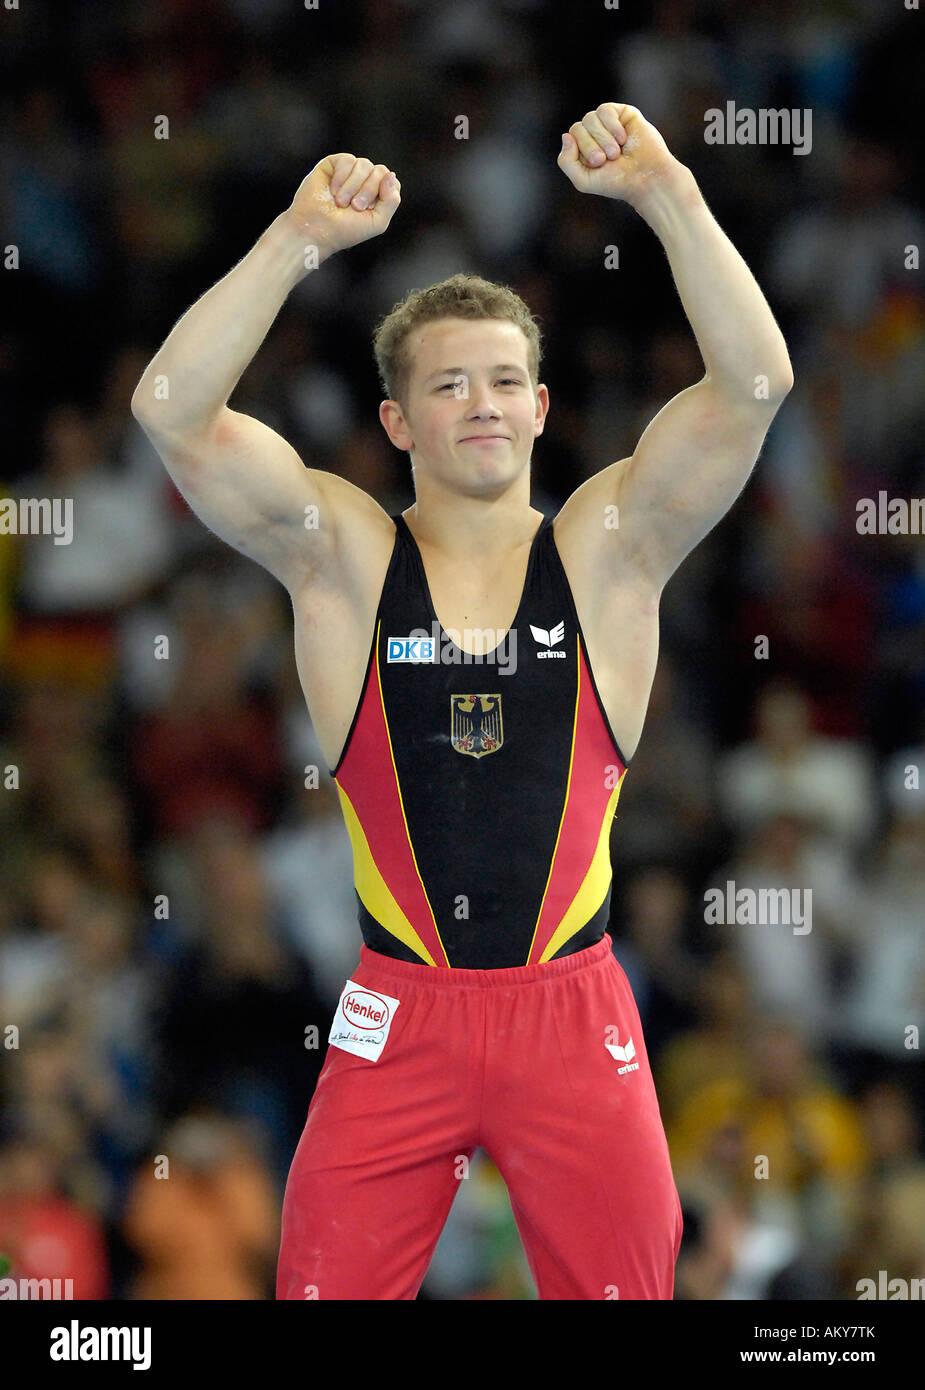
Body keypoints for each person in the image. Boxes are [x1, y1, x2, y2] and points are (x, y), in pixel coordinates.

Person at [132, 103, 793, 1300]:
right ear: (396, 422)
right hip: (398, 1015)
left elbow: (752, 386)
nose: (481, 402)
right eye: (447, 386)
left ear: (543, 407)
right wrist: (294, 239)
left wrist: (666, 194)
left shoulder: (610, 549)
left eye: (504, 380)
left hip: (573, 1008)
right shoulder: (338, 557)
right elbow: (170, 410)